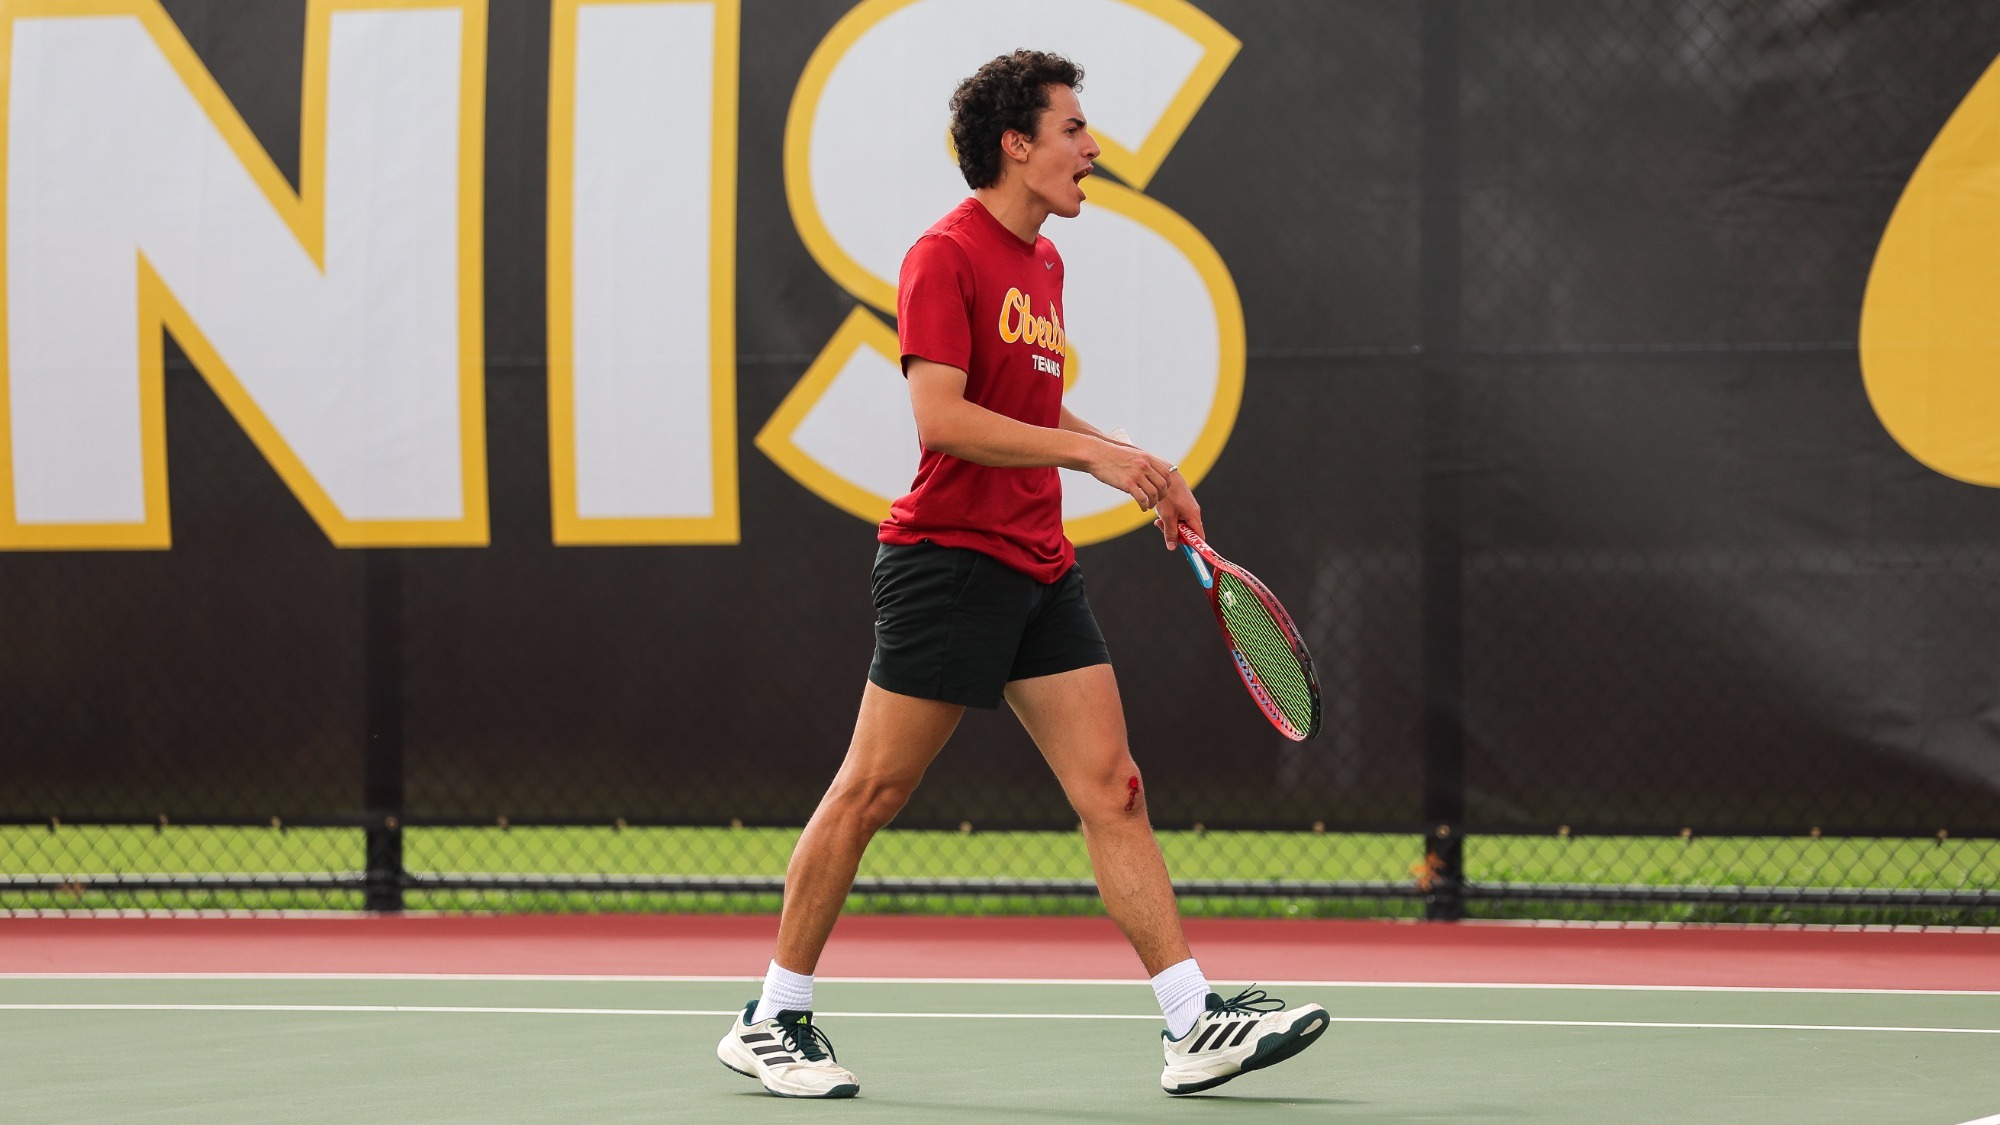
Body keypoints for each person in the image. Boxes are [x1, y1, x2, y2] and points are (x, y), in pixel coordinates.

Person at [716, 49, 1328, 1100]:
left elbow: (1033, 412)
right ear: (1017, 143)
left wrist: (1140, 467)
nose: (1093, 151)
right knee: (872, 790)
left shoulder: (1043, 265)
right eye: (1074, 131)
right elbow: (941, 418)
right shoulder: (942, 257)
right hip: (947, 564)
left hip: (1039, 567)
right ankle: (773, 1017)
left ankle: (1192, 1024)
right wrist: (1094, 457)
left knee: (1114, 790)